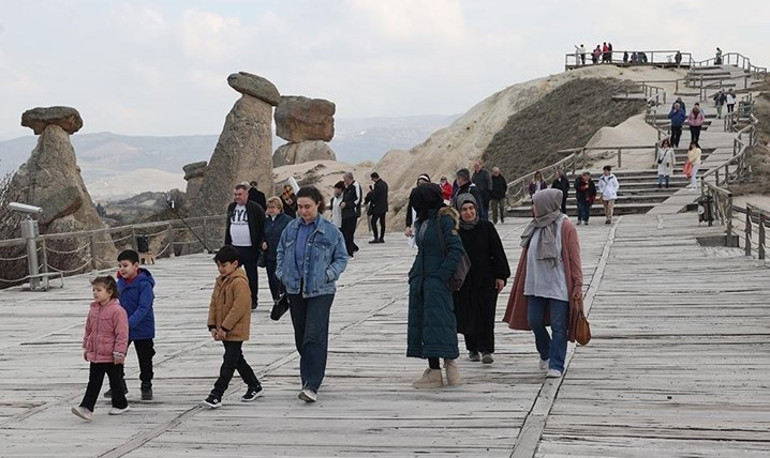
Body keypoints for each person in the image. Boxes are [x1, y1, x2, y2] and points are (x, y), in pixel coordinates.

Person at [276, 186, 348, 402]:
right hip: (295, 288)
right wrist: (282, 273)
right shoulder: (291, 228)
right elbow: (280, 251)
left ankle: (312, 383)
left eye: (307, 206)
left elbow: (342, 257)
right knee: (301, 336)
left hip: (320, 290)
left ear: (318, 204)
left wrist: (329, 274)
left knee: (314, 335)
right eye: (299, 207)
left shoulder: (330, 230)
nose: (303, 211)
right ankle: (308, 376)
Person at [502, 189, 584, 379]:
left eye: (535, 203)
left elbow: (574, 256)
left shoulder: (565, 226)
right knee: (534, 321)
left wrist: (578, 284)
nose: (533, 207)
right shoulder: (535, 226)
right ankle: (545, 351)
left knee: (558, 325)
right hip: (535, 284)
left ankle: (556, 363)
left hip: (558, 284)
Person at [406, 183, 465, 388]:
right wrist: (413, 274)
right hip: (421, 280)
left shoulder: (444, 218)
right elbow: (422, 250)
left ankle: (451, 366)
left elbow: (456, 249)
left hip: (437, 281)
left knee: (442, 322)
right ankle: (434, 371)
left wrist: (441, 275)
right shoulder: (423, 220)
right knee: (426, 325)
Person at [202, 246, 263, 409]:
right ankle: (254, 384)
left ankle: (216, 394)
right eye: (219, 266)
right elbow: (214, 304)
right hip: (223, 329)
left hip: (235, 329)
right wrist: (212, 325)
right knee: (237, 360)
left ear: (235, 264)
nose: (221, 269)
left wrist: (225, 327)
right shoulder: (220, 281)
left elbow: (239, 307)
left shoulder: (240, 282)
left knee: (229, 361)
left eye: (224, 265)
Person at [453, 195, 510, 364]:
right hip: (464, 280)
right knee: (467, 313)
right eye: (464, 209)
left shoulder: (486, 227)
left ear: (476, 209)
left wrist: (501, 276)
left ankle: (486, 349)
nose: (468, 212)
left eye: (471, 208)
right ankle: (472, 348)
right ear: (458, 211)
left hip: (486, 278)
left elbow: (497, 252)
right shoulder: (455, 231)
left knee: (486, 313)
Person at [71, 276, 129, 422]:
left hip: (111, 354)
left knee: (115, 381)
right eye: (93, 290)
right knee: (94, 381)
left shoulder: (118, 311)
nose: (95, 293)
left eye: (99, 290)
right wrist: (87, 347)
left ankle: (121, 404)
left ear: (110, 292)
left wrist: (119, 352)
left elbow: (122, 334)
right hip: (96, 354)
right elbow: (88, 330)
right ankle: (86, 408)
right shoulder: (93, 310)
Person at [104, 250, 155, 401]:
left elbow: (144, 307)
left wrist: (128, 323)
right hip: (122, 329)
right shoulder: (119, 283)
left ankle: (146, 384)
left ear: (136, 265)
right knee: (116, 356)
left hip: (143, 328)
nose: (122, 269)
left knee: (145, 358)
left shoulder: (144, 284)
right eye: (120, 266)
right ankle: (119, 384)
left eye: (125, 265)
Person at [225, 183, 266, 310]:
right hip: (234, 247)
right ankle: (233, 299)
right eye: (235, 195)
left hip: (250, 248)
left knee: (251, 275)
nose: (237, 197)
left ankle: (253, 299)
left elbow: (263, 226)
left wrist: (261, 243)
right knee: (231, 274)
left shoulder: (255, 208)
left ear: (247, 194)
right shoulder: (232, 207)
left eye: (240, 194)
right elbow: (228, 226)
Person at [262, 197, 293, 302]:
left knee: (281, 278)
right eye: (269, 207)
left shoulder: (287, 220)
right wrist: (263, 243)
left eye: (273, 207)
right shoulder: (266, 221)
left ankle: (286, 297)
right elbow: (262, 235)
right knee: (271, 278)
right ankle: (276, 299)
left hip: (283, 255)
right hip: (269, 254)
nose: (271, 210)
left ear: (279, 208)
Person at [340, 171, 362, 257]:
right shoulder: (347, 187)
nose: (344, 181)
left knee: (349, 233)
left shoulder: (355, 186)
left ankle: (350, 252)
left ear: (349, 178)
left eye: (345, 179)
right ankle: (351, 248)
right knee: (344, 233)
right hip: (345, 214)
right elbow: (344, 198)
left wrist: (347, 204)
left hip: (352, 213)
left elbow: (357, 199)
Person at [364, 172, 389, 244]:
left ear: (374, 177)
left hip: (378, 207)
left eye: (372, 178)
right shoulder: (384, 184)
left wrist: (370, 194)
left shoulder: (378, 185)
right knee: (382, 222)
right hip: (383, 206)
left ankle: (376, 237)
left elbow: (374, 197)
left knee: (373, 222)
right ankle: (381, 237)